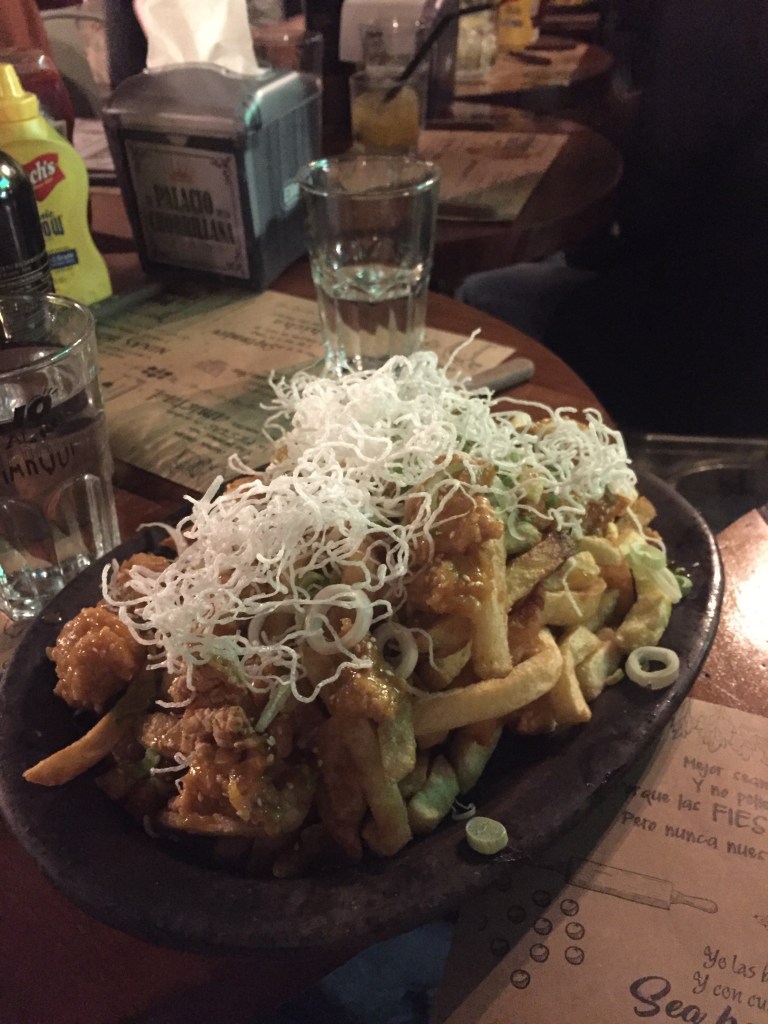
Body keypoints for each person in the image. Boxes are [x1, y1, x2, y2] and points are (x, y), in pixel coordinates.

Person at [457, 0, 768, 437]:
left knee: (480, 292)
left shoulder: (711, 19)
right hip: (731, 335)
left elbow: (645, 211)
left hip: (691, 349)